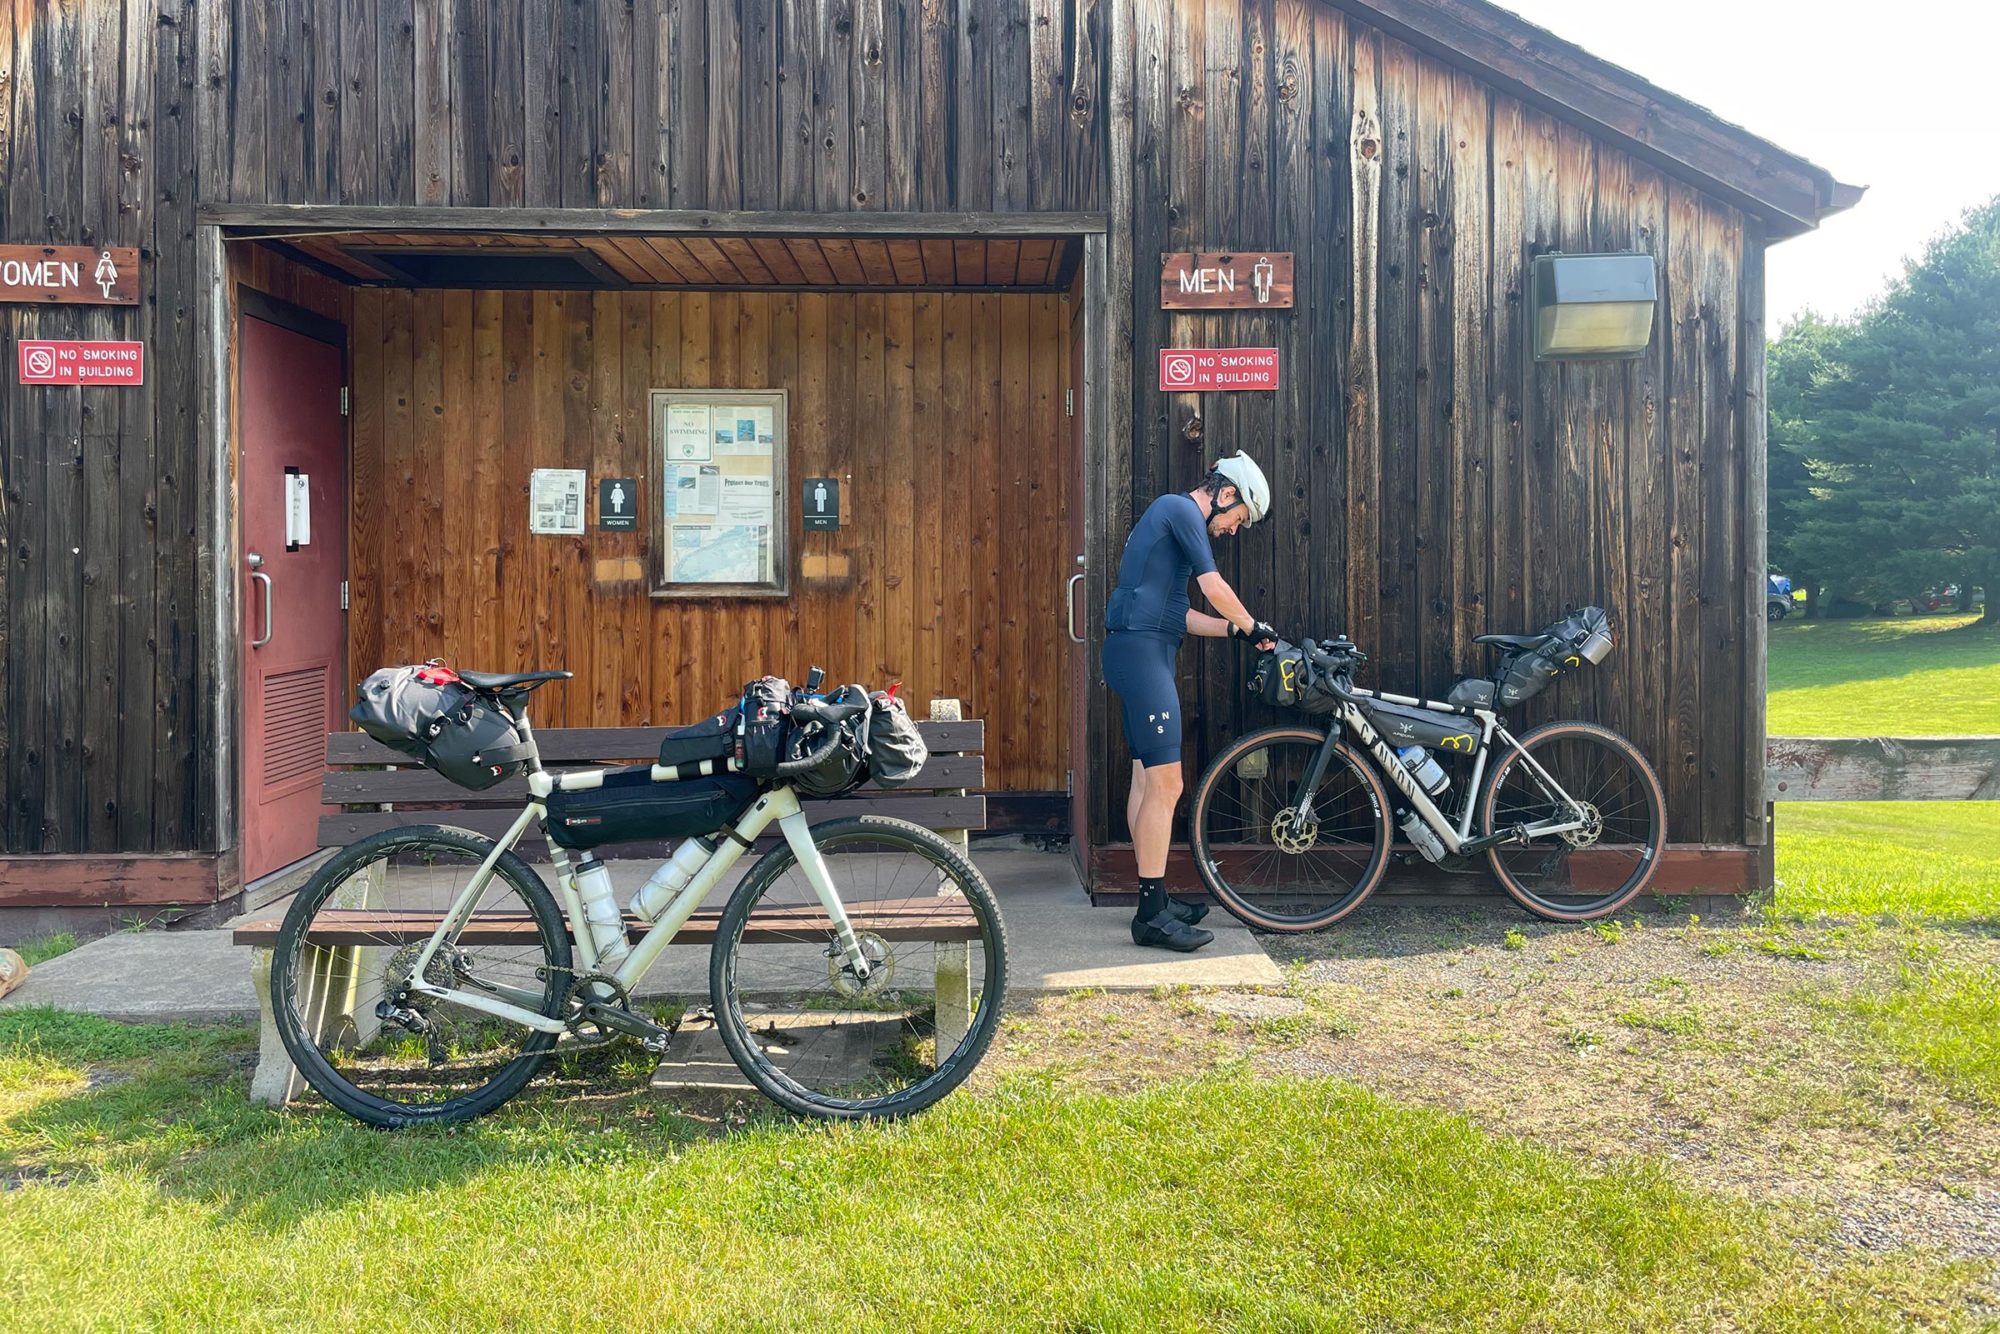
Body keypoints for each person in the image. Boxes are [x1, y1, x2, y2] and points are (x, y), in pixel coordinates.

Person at [1102, 453, 1274, 952]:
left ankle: (1151, 898)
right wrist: (1252, 622)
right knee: (1167, 783)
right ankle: (1151, 917)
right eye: (1238, 519)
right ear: (1225, 494)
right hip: (1141, 656)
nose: (1233, 530)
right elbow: (1213, 587)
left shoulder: (1173, 526)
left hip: (1141, 649)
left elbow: (1180, 616)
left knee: (1145, 779)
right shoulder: (1179, 510)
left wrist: (1235, 633)